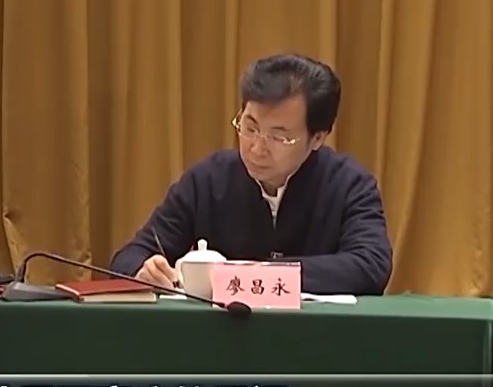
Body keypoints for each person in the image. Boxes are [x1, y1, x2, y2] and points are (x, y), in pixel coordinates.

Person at [110, 53, 393, 296]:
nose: (256, 148)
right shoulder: (207, 180)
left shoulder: (349, 184)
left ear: (317, 138)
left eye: (278, 137)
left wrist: (252, 275)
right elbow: (129, 257)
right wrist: (143, 271)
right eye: (250, 127)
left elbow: (371, 265)